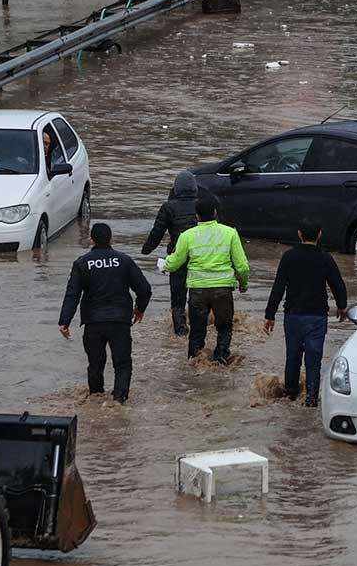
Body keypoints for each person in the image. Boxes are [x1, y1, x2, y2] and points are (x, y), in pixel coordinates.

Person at [58, 222, 151, 403]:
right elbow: (145, 289)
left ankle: (96, 399)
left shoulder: (82, 263)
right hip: (120, 322)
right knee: (122, 364)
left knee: (95, 364)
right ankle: (120, 401)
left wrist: (64, 321)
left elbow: (72, 295)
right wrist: (139, 309)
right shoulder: (124, 261)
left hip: (93, 323)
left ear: (91, 239)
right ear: (111, 239)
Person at [261, 224, 350, 406]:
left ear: (299, 234)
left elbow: (278, 287)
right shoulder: (325, 258)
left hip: (293, 316)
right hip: (317, 317)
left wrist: (270, 315)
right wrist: (342, 307)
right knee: (314, 359)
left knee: (292, 356)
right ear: (320, 234)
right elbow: (337, 284)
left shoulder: (289, 257)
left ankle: (290, 394)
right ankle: (311, 399)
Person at [164, 196, 248, 364]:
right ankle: (222, 359)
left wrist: (164, 264)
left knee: (196, 331)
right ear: (215, 213)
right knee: (224, 329)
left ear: (196, 215)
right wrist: (243, 283)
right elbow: (242, 266)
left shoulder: (187, 236)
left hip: (198, 291)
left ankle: (194, 363)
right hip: (223, 290)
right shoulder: (230, 233)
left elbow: (174, 263)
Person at [141, 170, 209, 336]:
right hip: (200, 258)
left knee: (177, 300)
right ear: (195, 189)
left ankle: (180, 332)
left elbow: (157, 233)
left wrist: (146, 250)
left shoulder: (168, 207)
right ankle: (199, 329)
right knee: (197, 297)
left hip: (178, 257)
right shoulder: (202, 206)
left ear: (176, 189)